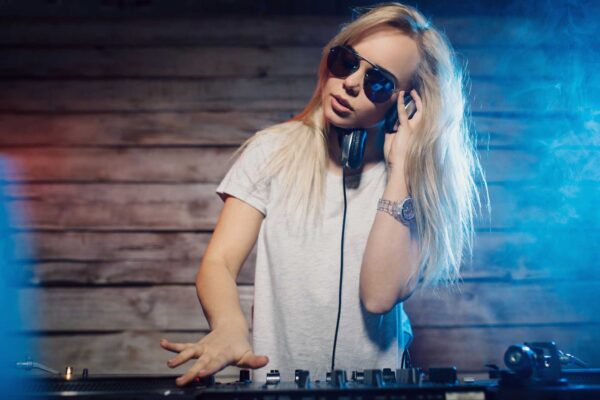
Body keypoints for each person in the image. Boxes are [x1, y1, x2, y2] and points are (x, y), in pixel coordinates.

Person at [161, 2, 484, 386]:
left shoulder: (414, 185)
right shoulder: (271, 151)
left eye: (378, 81)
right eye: (347, 62)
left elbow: (378, 297)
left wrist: (400, 171)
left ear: (408, 104)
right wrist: (229, 326)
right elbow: (219, 262)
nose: (351, 83)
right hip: (276, 390)